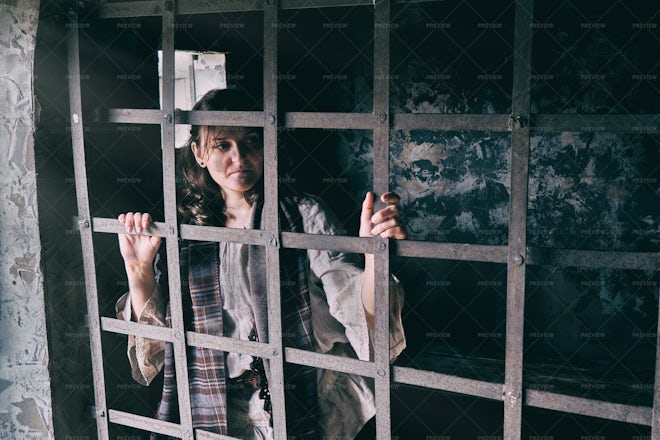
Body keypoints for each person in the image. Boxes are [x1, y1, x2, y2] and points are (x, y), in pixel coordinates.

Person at [116, 88, 407, 439]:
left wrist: (373, 257)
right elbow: (160, 348)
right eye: (222, 145)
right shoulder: (188, 231)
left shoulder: (302, 215)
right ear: (199, 153)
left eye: (250, 141)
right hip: (219, 409)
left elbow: (354, 306)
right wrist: (139, 270)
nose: (239, 157)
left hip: (309, 399)